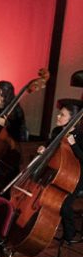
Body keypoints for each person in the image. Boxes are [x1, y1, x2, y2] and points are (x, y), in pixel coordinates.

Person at [41, 100, 83, 245]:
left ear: (72, 119)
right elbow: (49, 147)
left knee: (65, 205)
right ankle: (43, 230)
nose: (58, 117)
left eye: (62, 115)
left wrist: (74, 144)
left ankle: (70, 235)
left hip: (76, 176)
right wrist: (43, 149)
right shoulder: (57, 131)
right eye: (59, 114)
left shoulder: (80, 135)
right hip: (58, 172)